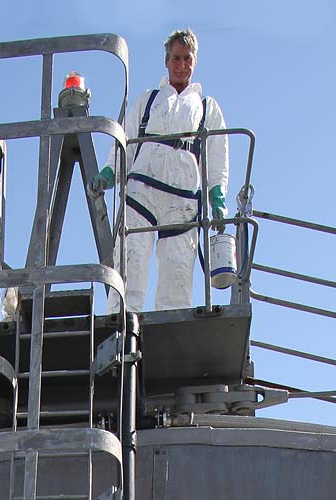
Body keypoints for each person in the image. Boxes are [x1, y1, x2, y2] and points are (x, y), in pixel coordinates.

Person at [96, 28, 229, 312]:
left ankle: (171, 328)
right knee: (131, 260)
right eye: (176, 58)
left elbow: (217, 157)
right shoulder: (147, 101)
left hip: (182, 199)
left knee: (178, 269)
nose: (182, 65)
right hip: (142, 191)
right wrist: (110, 172)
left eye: (187, 59)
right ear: (167, 61)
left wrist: (217, 197)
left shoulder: (207, 108)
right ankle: (120, 323)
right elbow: (125, 142)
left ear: (194, 61)